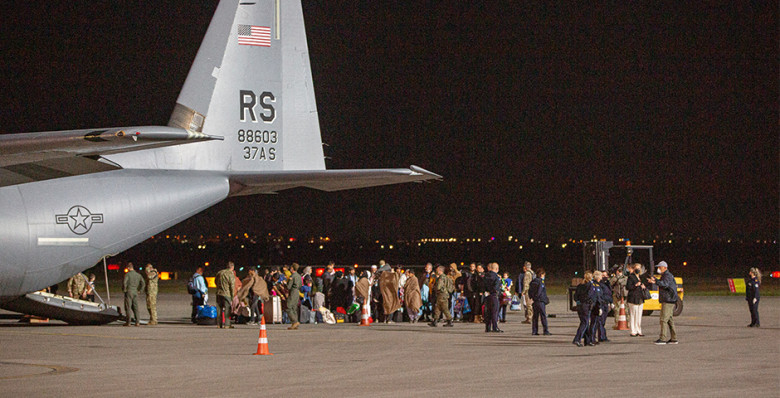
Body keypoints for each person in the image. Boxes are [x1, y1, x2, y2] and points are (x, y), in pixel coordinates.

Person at [647, 261, 678, 345]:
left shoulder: (667, 276)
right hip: (669, 299)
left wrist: (655, 282)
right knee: (669, 320)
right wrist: (656, 280)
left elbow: (665, 284)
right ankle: (673, 338)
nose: (658, 269)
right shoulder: (666, 275)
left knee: (663, 319)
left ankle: (663, 338)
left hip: (668, 300)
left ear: (665, 268)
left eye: (660, 267)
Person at [572, 272, 593, 346]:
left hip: (579, 305)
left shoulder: (580, 286)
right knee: (584, 323)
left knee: (585, 322)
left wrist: (578, 301)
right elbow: (590, 295)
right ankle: (577, 339)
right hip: (586, 305)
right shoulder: (590, 286)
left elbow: (575, 296)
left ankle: (587, 340)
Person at [626, 263, 646, 337]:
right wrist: (635, 285)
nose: (638, 269)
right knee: (633, 314)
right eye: (636, 268)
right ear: (634, 269)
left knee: (639, 315)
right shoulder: (631, 277)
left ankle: (639, 330)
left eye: (639, 268)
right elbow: (628, 287)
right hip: (633, 298)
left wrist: (643, 286)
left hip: (640, 298)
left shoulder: (641, 277)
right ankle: (633, 330)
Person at [528, 267, 550, 335]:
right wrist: (538, 297)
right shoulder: (541, 282)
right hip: (540, 301)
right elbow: (539, 291)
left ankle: (534, 331)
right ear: (542, 274)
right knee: (543, 316)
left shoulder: (532, 281)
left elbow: (529, 291)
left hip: (534, 301)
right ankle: (545, 330)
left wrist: (532, 298)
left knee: (535, 317)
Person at [215, 262, 237, 329]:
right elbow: (232, 285)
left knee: (219, 309)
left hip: (219, 293)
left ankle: (219, 324)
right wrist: (232, 296)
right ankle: (227, 324)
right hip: (226, 294)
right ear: (232, 267)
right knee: (227, 309)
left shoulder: (220, 272)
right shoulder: (230, 274)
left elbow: (215, 281)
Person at [482, 263, 502, 333]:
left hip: (487, 295)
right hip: (494, 295)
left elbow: (482, 286)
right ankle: (495, 327)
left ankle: (487, 327)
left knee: (488, 312)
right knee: (494, 312)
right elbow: (496, 287)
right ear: (496, 269)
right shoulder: (496, 277)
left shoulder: (485, 276)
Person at [588, 270, 605, 344]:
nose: (601, 278)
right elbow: (596, 296)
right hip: (595, 306)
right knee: (593, 323)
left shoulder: (598, 285)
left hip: (597, 305)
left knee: (596, 323)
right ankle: (591, 339)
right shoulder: (594, 285)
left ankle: (593, 338)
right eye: (601, 276)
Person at [285, 263, 302, 329]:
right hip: (297, 292)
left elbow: (289, 286)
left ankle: (294, 321)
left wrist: (286, 282)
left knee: (288, 306)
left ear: (292, 268)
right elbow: (300, 284)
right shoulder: (299, 276)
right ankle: (295, 323)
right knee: (294, 307)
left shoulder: (292, 276)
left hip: (293, 291)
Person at [598, 272, 613, 342]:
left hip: (606, 303)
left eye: (605, 275)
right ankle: (601, 337)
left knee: (603, 321)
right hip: (602, 303)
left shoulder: (607, 283)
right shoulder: (600, 284)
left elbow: (610, 294)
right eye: (603, 275)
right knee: (600, 321)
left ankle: (603, 336)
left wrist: (611, 302)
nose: (604, 276)